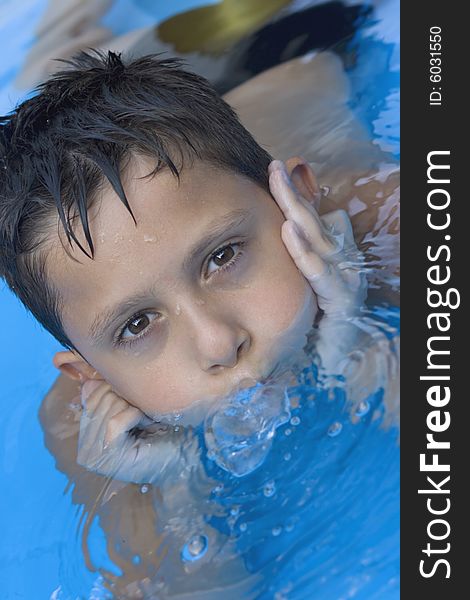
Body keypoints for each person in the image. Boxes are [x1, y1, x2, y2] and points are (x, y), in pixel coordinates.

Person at [0, 50, 398, 596]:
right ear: (91, 375)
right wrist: (180, 491)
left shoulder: (389, 221)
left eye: (223, 256)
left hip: (278, 57)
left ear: (298, 200)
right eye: (137, 325)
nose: (219, 342)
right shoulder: (85, 432)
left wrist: (359, 344)